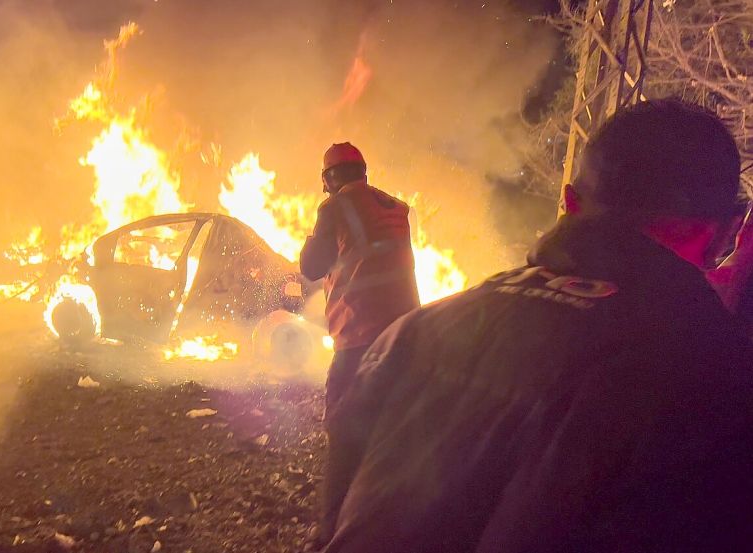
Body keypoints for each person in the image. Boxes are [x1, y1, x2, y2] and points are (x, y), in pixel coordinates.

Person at [323, 100, 753, 552]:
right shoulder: (721, 385)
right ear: (726, 232)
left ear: (569, 203)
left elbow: (334, 525)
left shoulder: (415, 332)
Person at [299, 142, 420, 546]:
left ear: (329, 179)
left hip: (358, 340)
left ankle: (331, 537)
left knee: (345, 436)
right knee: (391, 436)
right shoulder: (397, 206)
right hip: (407, 335)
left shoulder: (333, 208)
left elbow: (312, 267)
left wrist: (308, 239)